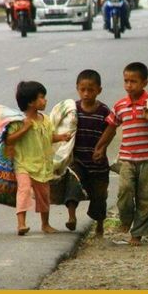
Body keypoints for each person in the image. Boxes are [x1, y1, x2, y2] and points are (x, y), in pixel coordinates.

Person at [93, 62, 148, 246]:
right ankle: (126, 219)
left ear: (144, 82)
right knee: (124, 191)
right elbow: (111, 127)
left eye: (133, 81)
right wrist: (100, 147)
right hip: (127, 158)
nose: (128, 85)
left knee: (146, 197)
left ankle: (138, 233)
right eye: (126, 81)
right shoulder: (120, 105)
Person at [50, 70, 112, 236]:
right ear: (77, 88)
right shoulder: (73, 111)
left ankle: (99, 224)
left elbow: (110, 131)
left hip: (98, 162)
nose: (86, 93)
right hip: (77, 160)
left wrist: (102, 147)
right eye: (82, 89)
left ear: (99, 90)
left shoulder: (104, 111)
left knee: (100, 196)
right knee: (72, 184)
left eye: (90, 90)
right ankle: (71, 217)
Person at [6, 81, 71, 236]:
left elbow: (48, 138)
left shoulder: (46, 120)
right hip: (23, 164)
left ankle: (45, 224)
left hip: (42, 166)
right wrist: (25, 128)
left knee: (44, 195)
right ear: (30, 102)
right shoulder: (19, 121)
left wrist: (61, 137)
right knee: (23, 190)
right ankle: (21, 224)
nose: (45, 100)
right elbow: (9, 140)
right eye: (41, 97)